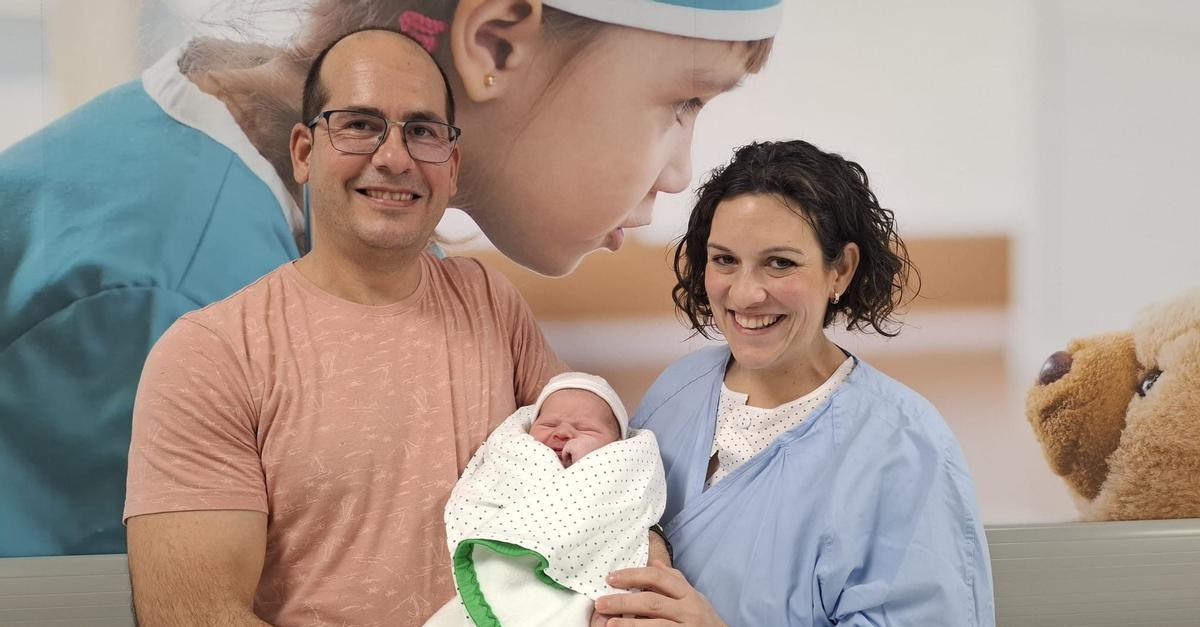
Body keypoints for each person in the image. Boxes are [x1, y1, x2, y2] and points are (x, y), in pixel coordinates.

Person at [0, 0, 778, 558]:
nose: (680, 172)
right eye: (682, 103)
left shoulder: (349, 221)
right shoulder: (176, 294)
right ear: (495, 44)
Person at [123, 28, 568, 626]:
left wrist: (651, 565)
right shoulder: (212, 354)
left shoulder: (489, 303)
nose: (394, 158)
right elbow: (191, 615)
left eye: (422, 131)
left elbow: (596, 477)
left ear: (452, 165)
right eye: (360, 124)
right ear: (304, 153)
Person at [592, 141, 996, 626]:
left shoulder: (904, 446)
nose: (745, 293)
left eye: (780, 263)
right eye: (724, 260)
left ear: (840, 270)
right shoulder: (678, 390)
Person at [428, 372, 666, 626]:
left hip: (579, 570)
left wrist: (587, 460)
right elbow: (494, 486)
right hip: (511, 552)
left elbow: (620, 504)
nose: (562, 432)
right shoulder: (520, 454)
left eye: (585, 429)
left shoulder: (615, 466)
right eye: (549, 424)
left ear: (617, 443)